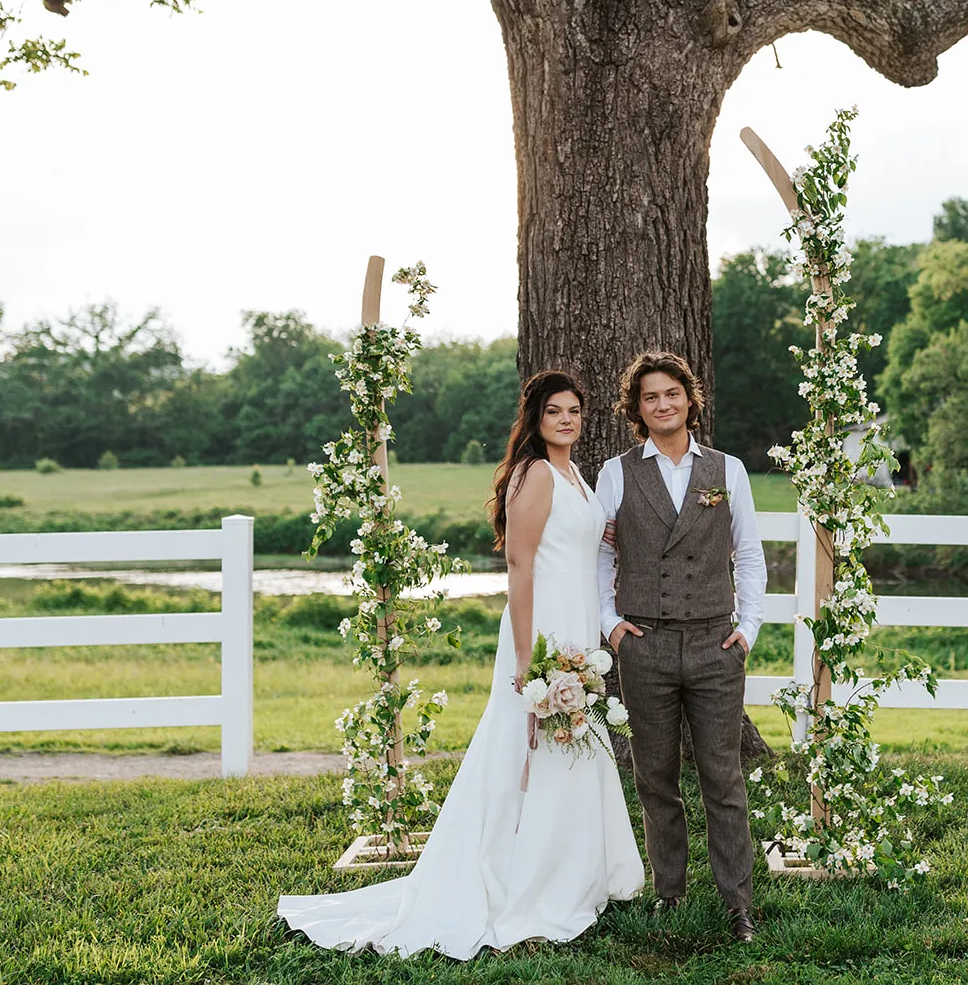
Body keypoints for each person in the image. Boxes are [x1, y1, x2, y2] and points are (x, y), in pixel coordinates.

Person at [278, 370, 644, 958]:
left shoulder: (576, 474)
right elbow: (520, 565)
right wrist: (526, 657)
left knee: (569, 743)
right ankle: (521, 879)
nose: (567, 420)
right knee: (529, 746)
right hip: (541, 628)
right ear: (536, 418)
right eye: (555, 411)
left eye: (574, 410)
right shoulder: (535, 473)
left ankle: (573, 872)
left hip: (577, 623)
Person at [595, 351, 767, 944]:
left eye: (672, 393)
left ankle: (738, 905)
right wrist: (610, 623)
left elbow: (749, 553)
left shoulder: (728, 470)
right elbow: (600, 555)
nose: (663, 404)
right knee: (655, 776)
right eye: (650, 397)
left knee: (723, 776)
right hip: (645, 644)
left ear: (690, 400)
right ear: (637, 408)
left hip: (716, 642)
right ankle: (669, 894)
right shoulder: (616, 473)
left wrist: (749, 628)